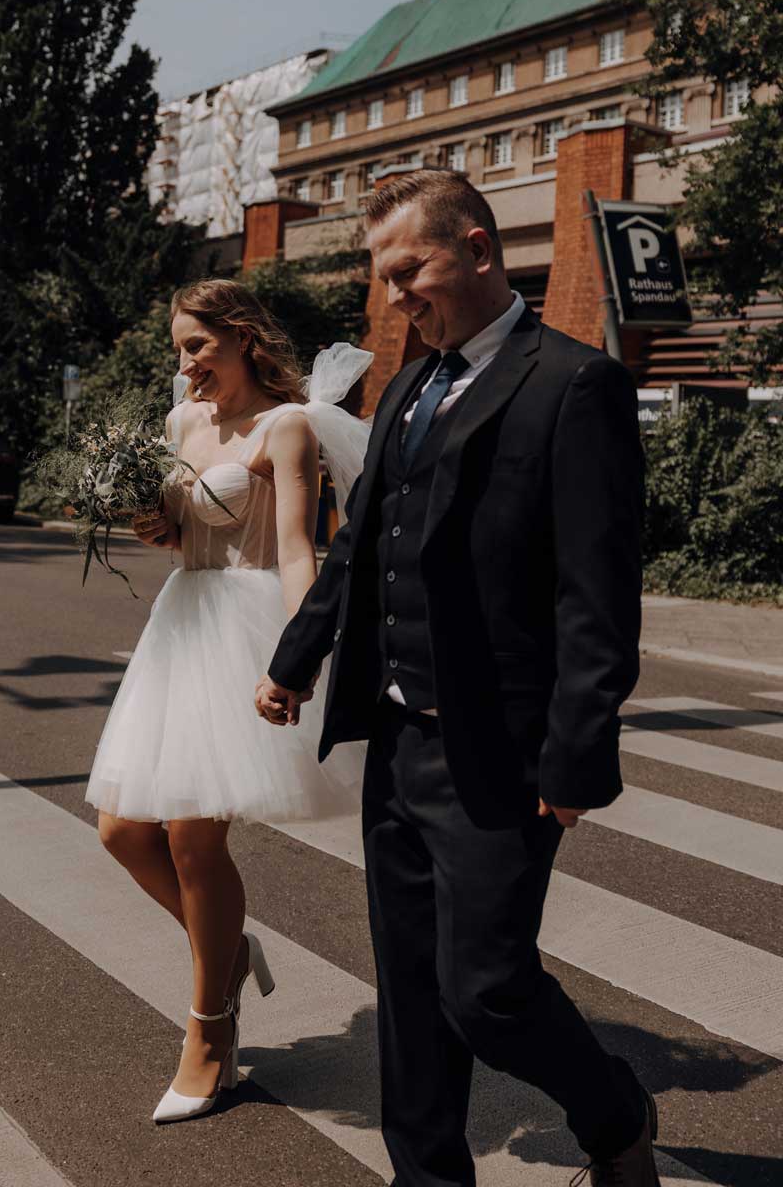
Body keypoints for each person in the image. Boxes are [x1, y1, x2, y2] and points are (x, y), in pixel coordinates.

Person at [255, 170, 659, 1187]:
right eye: (383, 282)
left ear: (477, 251)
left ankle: (613, 1113)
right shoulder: (407, 387)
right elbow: (358, 549)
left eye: (410, 273)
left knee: (484, 990)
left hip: (502, 747)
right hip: (398, 739)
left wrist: (577, 752)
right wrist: (297, 656)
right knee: (407, 990)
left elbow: (595, 594)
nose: (395, 299)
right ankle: (427, 1178)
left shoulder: (572, 384)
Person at [85, 278, 371, 1125]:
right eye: (178, 348)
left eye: (198, 346)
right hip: (181, 621)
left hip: (244, 627)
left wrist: (298, 652)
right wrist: (155, 524)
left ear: (243, 338)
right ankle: (228, 952)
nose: (186, 364)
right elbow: (185, 532)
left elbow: (294, 553)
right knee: (122, 830)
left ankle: (210, 1031)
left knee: (191, 838)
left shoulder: (289, 428)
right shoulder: (182, 424)